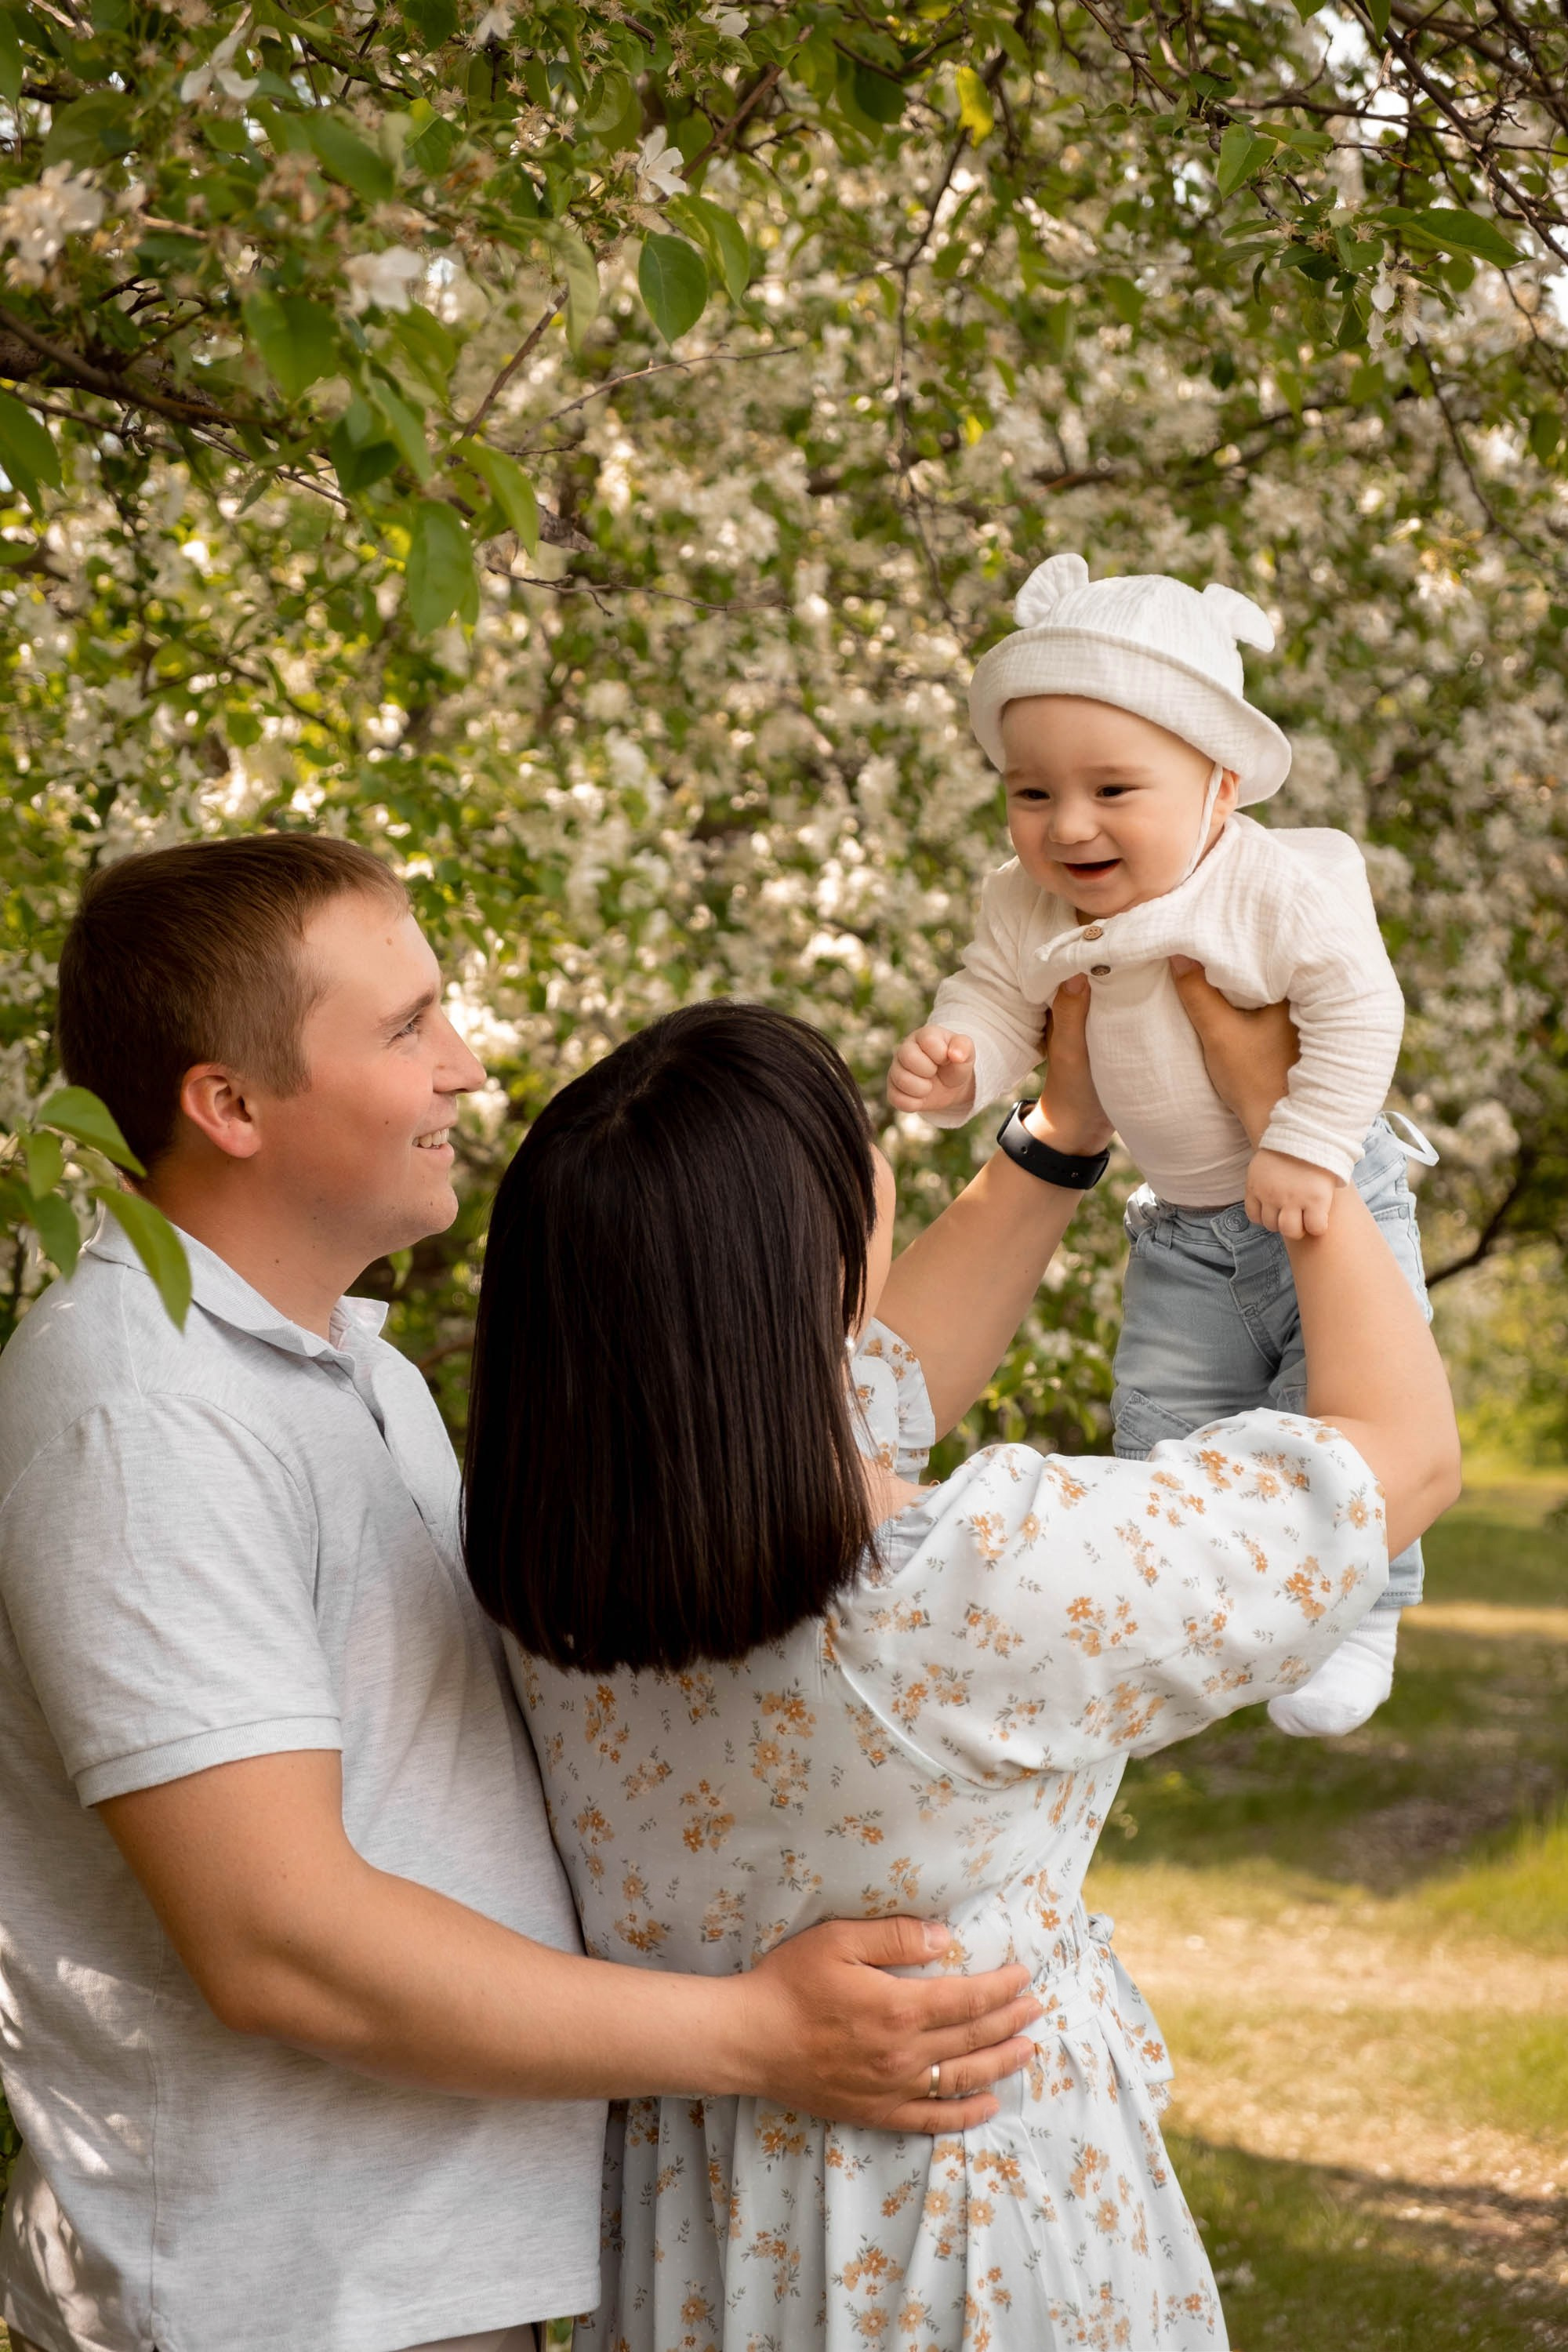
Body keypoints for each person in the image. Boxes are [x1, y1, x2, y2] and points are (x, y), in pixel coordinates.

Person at [0, 837, 1047, 2352]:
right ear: (227, 1105)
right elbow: (276, 1937)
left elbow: (799, 1428)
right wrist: (757, 2034)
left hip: (416, 2273)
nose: (467, 1067)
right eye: (406, 1028)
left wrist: (1055, 1148)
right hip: (289, 2301)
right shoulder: (145, 1411)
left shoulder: (340, 1370)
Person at [461, 983, 1459, 2350]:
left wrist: (1061, 1134)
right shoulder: (970, 1585)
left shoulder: (558, 1574)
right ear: (816, 1261)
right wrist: (1310, 1135)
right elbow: (1399, 1463)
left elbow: (864, 1381)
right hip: (962, 2237)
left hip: (702, 2237)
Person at [887, 550, 1437, 1740]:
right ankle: (1212, 1626)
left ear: (1219, 791)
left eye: (1112, 789)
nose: (1068, 825)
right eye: (1032, 793)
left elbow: (1360, 1009)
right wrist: (963, 1057)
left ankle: (1367, 1610)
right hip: (1183, 1228)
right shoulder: (1023, 904)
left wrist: (1306, 1140)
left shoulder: (1274, 887)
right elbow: (996, 994)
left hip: (1321, 1182)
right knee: (1163, 1426)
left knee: (1340, 1405)